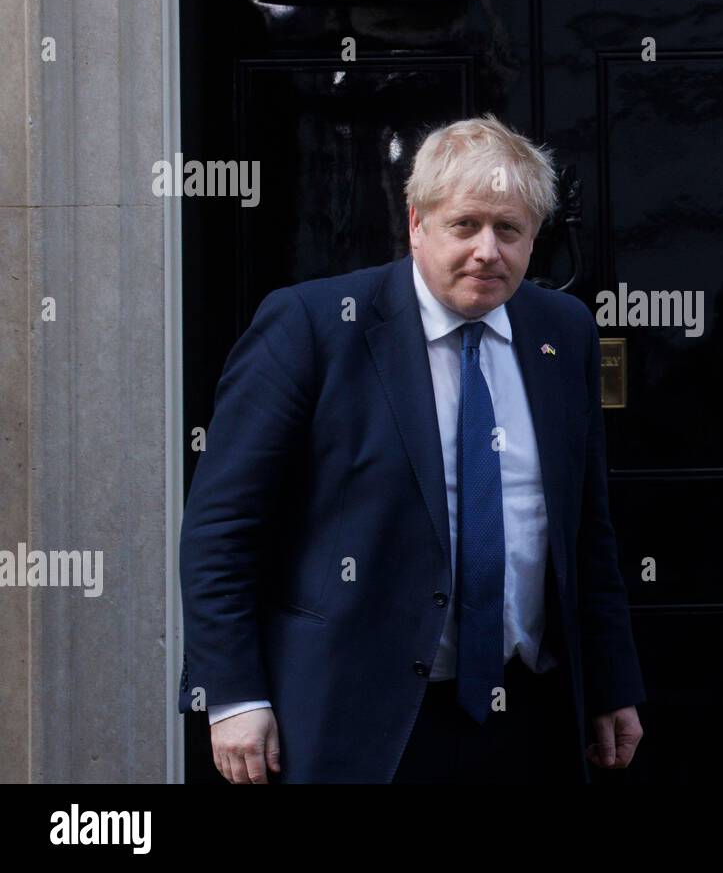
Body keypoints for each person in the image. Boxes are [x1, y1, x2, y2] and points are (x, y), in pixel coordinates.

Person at [177, 114, 645, 783]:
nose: (489, 250)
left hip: (528, 713)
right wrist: (232, 692)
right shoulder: (313, 326)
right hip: (358, 718)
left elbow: (586, 529)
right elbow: (222, 526)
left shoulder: (562, 331)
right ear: (417, 223)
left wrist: (608, 680)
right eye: (465, 224)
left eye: (508, 229)